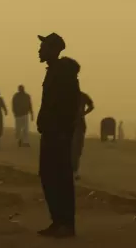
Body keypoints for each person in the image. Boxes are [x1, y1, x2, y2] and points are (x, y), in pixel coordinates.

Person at [37, 33, 81, 239]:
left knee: (60, 179)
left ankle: (65, 224)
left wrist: (62, 131)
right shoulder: (54, 71)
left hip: (58, 135)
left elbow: (68, 105)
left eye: (43, 46)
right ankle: (58, 222)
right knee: (49, 177)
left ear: (53, 49)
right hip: (51, 133)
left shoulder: (63, 74)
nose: (39, 50)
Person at [72, 92, 95, 178]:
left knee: (75, 150)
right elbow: (91, 106)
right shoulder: (82, 95)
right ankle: (74, 171)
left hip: (75, 125)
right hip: (77, 125)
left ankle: (74, 171)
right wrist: (83, 113)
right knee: (76, 150)